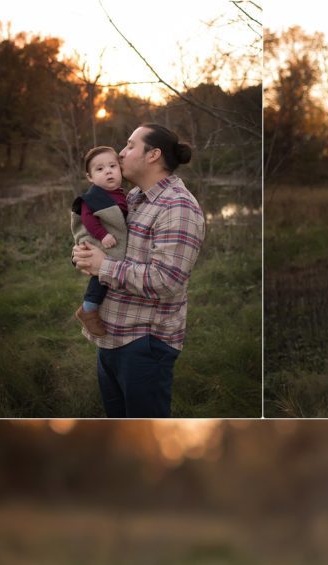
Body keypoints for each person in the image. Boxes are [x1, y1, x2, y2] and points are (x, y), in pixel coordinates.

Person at [71, 123, 205, 418]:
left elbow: (165, 280)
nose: (121, 153)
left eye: (130, 145)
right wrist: (83, 253)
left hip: (144, 345)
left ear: (153, 155)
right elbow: (108, 246)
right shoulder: (133, 198)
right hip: (111, 337)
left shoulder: (178, 208)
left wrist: (103, 266)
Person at [70, 146, 128, 338]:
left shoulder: (121, 194)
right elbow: (87, 219)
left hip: (112, 241)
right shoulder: (94, 197)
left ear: (120, 169)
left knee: (105, 274)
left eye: (112, 166)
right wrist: (103, 235)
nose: (108, 171)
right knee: (100, 277)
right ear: (90, 177)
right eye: (100, 169)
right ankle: (88, 308)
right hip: (100, 240)